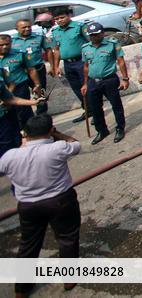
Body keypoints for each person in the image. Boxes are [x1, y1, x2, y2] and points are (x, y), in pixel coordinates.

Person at [0, 114, 80, 297]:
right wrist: (57, 134)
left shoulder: (11, 156)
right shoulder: (58, 148)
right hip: (60, 201)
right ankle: (69, 278)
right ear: (50, 130)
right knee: (67, 238)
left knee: (28, 244)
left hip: (28, 206)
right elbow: (76, 144)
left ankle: (22, 289)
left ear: (25, 133)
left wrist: (23, 145)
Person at [80, 22, 127, 144]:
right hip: (92, 81)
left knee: (116, 105)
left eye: (96, 34)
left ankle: (120, 128)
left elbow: (121, 61)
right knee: (95, 108)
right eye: (91, 35)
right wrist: (85, 83)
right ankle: (101, 130)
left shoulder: (112, 44)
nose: (93, 37)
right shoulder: (85, 48)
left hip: (109, 80)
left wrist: (125, 79)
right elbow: (86, 66)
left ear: (102, 33)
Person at [49, 9, 88, 123]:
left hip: (81, 61)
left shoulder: (79, 27)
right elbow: (56, 50)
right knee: (76, 88)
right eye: (56, 19)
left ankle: (96, 111)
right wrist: (56, 66)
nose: (59, 20)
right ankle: (88, 110)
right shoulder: (55, 31)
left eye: (62, 17)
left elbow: (90, 42)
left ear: (69, 16)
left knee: (87, 87)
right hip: (68, 64)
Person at [0, 34, 43, 132]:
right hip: (2, 91)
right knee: (8, 117)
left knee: (24, 113)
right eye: (1, 45)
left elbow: (31, 69)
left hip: (19, 88)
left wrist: (37, 85)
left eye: (7, 44)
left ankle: (33, 133)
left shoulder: (19, 54)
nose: (5, 47)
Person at [13, 20, 49, 115]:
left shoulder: (39, 37)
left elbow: (49, 50)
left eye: (29, 26)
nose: (27, 29)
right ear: (17, 29)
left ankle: (42, 114)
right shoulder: (12, 41)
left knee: (40, 92)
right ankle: (27, 116)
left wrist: (53, 66)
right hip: (21, 72)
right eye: (24, 27)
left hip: (38, 69)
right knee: (22, 94)